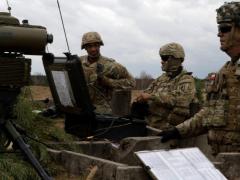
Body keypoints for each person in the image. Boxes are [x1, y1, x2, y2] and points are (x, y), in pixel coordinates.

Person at [159, 2, 240, 155]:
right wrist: (177, 131)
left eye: (225, 29)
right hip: (224, 160)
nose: (219, 34)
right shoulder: (226, 71)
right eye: (218, 29)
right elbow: (209, 113)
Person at [134, 42, 198, 129]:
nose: (161, 61)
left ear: (174, 59)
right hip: (150, 126)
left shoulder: (186, 80)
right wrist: (141, 99)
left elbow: (179, 100)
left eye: (164, 58)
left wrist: (152, 97)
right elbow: (146, 93)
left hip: (169, 132)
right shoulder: (161, 78)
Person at [80, 31, 135, 114]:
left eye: (96, 45)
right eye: (89, 46)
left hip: (101, 112)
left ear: (100, 45)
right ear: (85, 47)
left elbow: (131, 82)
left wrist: (107, 81)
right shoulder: (78, 62)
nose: (93, 49)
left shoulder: (111, 65)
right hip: (81, 110)